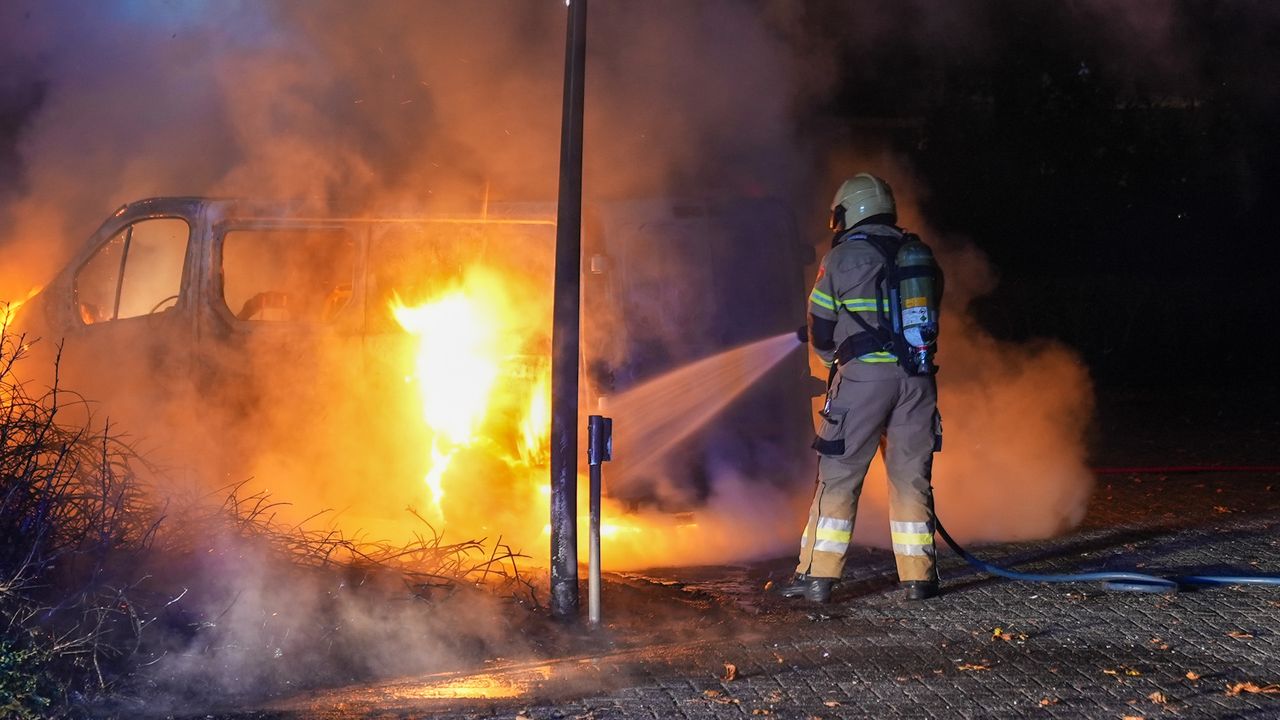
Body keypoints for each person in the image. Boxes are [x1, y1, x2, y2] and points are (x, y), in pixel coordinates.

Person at [780, 173, 943, 603]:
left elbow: (820, 324)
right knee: (911, 479)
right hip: (918, 381)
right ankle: (919, 579)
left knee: (839, 477)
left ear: (849, 212)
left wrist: (828, 361)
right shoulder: (918, 254)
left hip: (865, 380)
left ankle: (817, 577)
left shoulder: (841, 259)